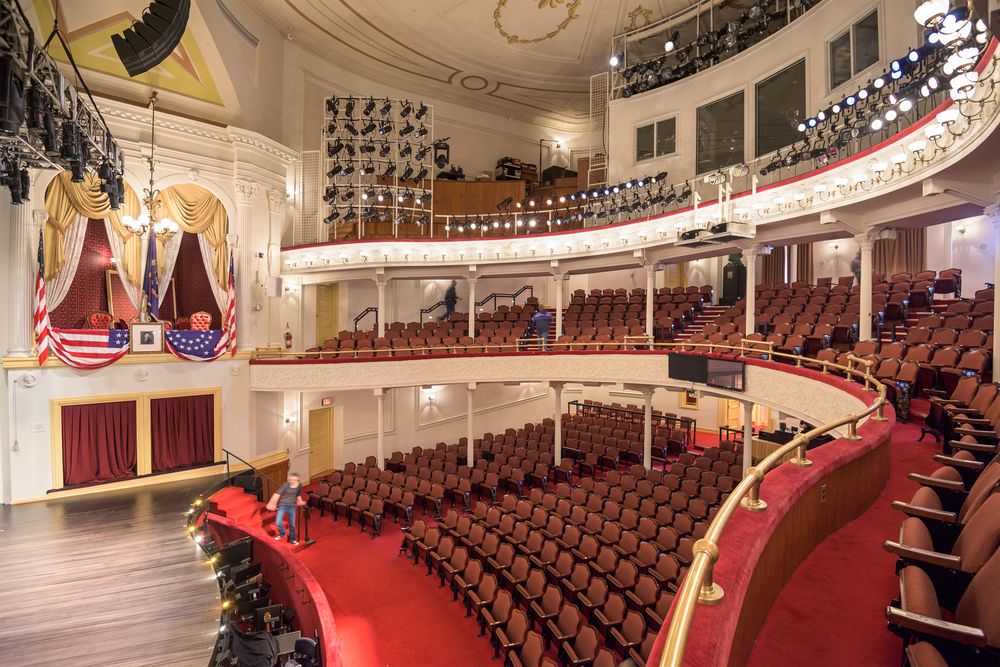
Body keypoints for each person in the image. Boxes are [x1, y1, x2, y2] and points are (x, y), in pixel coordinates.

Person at [265, 472, 307, 545]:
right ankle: (282, 533)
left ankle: (293, 539)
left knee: (292, 524)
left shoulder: (299, 485)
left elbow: (298, 494)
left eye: (293, 480)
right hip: (283, 505)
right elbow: (277, 494)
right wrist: (272, 503)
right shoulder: (286, 485)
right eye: (290, 479)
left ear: (297, 480)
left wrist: (300, 501)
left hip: (291, 506)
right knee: (278, 522)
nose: (291, 481)